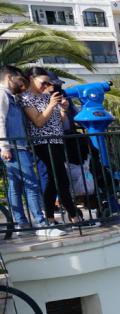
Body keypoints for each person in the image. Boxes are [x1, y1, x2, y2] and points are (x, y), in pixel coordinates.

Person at [0, 66, 59, 236]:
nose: (23, 83)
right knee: (31, 184)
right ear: (10, 78)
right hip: (14, 147)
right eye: (20, 79)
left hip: (18, 146)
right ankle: (40, 225)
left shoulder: (12, 97)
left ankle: (22, 225)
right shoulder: (3, 95)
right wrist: (4, 147)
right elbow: (0, 120)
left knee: (16, 186)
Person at [20, 68, 81, 224]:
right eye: (43, 82)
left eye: (48, 82)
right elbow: (39, 122)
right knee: (61, 179)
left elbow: (57, 122)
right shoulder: (26, 98)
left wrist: (62, 109)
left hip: (57, 140)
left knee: (54, 180)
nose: (46, 86)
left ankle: (49, 216)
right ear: (31, 79)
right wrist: (51, 105)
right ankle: (74, 216)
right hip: (43, 142)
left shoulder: (46, 96)